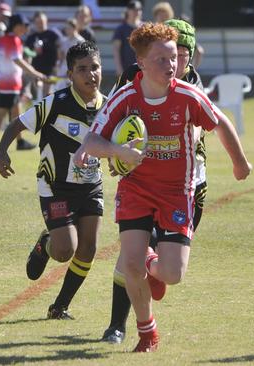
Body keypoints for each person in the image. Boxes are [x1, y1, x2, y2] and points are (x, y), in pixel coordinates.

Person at [74, 23, 252, 352]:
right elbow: (92, 138)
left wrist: (239, 163)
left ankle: (150, 262)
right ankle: (146, 331)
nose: (170, 65)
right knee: (128, 264)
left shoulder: (188, 95)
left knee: (172, 275)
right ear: (140, 63)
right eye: (161, 59)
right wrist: (115, 151)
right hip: (136, 189)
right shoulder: (125, 98)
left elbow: (221, 122)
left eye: (173, 58)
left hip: (176, 192)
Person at [101, 18, 208, 345]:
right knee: (131, 258)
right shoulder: (132, 78)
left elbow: (202, 126)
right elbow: (114, 122)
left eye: (183, 53)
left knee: (167, 263)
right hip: (141, 180)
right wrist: (115, 156)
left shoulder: (191, 83)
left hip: (187, 183)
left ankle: (154, 268)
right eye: (171, 53)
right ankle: (118, 325)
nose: (177, 60)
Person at [0, 41, 106, 320]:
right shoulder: (56, 103)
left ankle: (60, 307)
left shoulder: (109, 106)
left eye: (94, 68)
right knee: (64, 250)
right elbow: (17, 123)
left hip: (91, 185)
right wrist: (2, 150)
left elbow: (117, 141)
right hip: (55, 187)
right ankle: (46, 244)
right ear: (70, 74)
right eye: (82, 69)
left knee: (89, 248)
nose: (90, 74)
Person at [0, 14, 45, 153]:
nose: (26, 28)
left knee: (15, 111)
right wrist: (37, 74)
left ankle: (20, 142)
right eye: (24, 25)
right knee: (1, 113)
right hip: (10, 83)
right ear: (17, 26)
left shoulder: (2, 40)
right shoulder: (14, 40)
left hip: (5, 83)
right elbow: (18, 61)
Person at [25, 11, 60, 98]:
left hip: (50, 69)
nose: (40, 24)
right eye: (38, 22)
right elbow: (27, 53)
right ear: (34, 23)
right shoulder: (31, 37)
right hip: (35, 70)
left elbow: (60, 50)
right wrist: (34, 51)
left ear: (46, 21)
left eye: (42, 21)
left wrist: (58, 66)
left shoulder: (53, 35)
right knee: (36, 96)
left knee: (47, 95)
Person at [112, 0, 142, 76]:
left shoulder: (144, 28)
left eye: (139, 9)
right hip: (126, 69)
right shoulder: (120, 29)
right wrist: (118, 68)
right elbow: (116, 49)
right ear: (128, 11)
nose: (136, 12)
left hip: (143, 68)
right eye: (134, 9)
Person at [54, 18, 85, 91]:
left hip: (75, 68)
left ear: (74, 28)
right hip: (64, 68)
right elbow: (61, 55)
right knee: (60, 89)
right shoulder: (64, 40)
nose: (67, 30)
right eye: (66, 28)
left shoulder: (80, 41)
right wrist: (59, 65)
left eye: (69, 28)